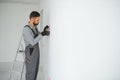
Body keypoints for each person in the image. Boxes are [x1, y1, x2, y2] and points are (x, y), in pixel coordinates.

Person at [22, 11, 50, 80]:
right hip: (30, 51)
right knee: (31, 70)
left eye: (39, 20)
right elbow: (32, 42)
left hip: (36, 49)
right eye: (37, 20)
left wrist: (43, 31)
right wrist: (42, 34)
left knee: (35, 68)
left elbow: (37, 35)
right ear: (32, 19)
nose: (38, 21)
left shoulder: (34, 27)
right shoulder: (26, 29)